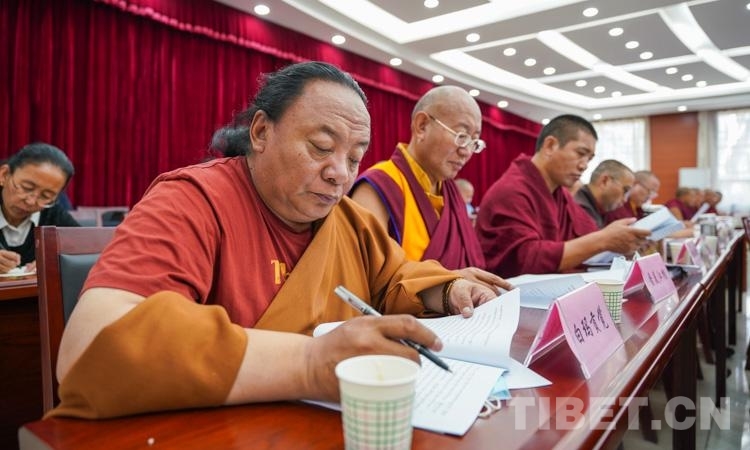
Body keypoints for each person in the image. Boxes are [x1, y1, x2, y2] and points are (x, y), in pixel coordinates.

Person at [52, 61, 497, 419]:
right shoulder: (194, 201)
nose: (339, 173)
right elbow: (90, 343)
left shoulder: (350, 220)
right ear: (262, 132)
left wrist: (448, 291)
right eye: (321, 147)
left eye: (355, 158)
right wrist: (309, 363)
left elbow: (397, 277)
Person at [349, 86, 508, 291]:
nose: (466, 151)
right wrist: (448, 282)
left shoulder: (451, 195)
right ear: (422, 126)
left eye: (474, 142)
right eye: (461, 136)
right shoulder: (380, 187)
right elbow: (366, 277)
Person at [476, 114, 651, 277]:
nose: (584, 166)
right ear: (550, 145)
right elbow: (525, 260)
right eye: (580, 154)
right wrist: (603, 240)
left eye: (589, 159)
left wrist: (622, 240)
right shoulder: (512, 190)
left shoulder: (559, 194)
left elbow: (587, 233)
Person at [0, 143, 79, 273]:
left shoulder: (53, 213)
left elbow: (87, 250)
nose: (31, 202)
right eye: (26, 188)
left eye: (46, 196)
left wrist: (56, 262)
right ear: (4, 175)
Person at [573, 159, 634, 228]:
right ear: (604, 181)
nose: (625, 200)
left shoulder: (599, 208)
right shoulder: (580, 208)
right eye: (625, 190)